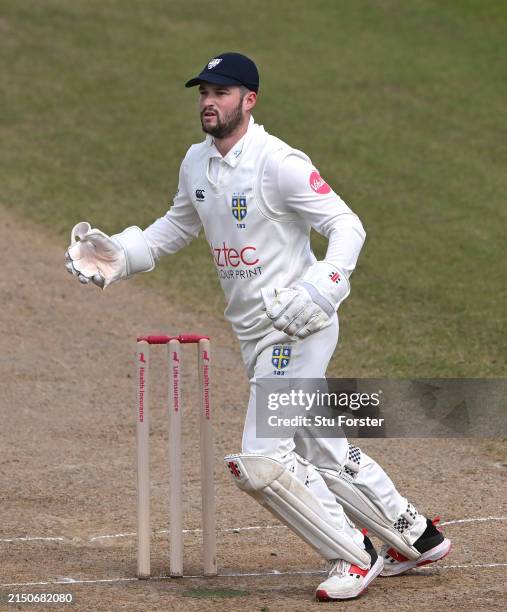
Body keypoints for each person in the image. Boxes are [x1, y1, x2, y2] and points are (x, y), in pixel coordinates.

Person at [65, 52, 451, 601]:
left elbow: (347, 225)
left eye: (221, 92)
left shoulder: (279, 162)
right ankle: (417, 535)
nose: (208, 101)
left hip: (299, 327)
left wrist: (322, 286)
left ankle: (354, 553)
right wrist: (117, 256)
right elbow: (176, 225)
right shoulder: (197, 163)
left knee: (262, 458)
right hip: (253, 334)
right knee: (321, 448)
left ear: (249, 99)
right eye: (203, 92)